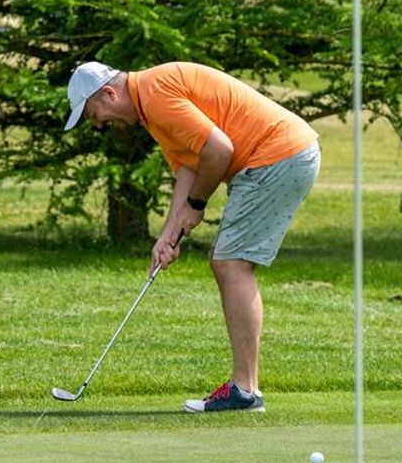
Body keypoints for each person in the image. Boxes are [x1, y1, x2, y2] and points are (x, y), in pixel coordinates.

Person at [63, 60, 320, 413]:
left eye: (94, 114)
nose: (99, 125)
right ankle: (245, 389)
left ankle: (245, 391)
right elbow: (189, 168)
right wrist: (168, 236)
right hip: (284, 154)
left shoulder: (155, 94)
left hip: (277, 154)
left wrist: (197, 205)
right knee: (229, 262)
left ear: (109, 93)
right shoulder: (150, 107)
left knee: (231, 264)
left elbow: (219, 150)